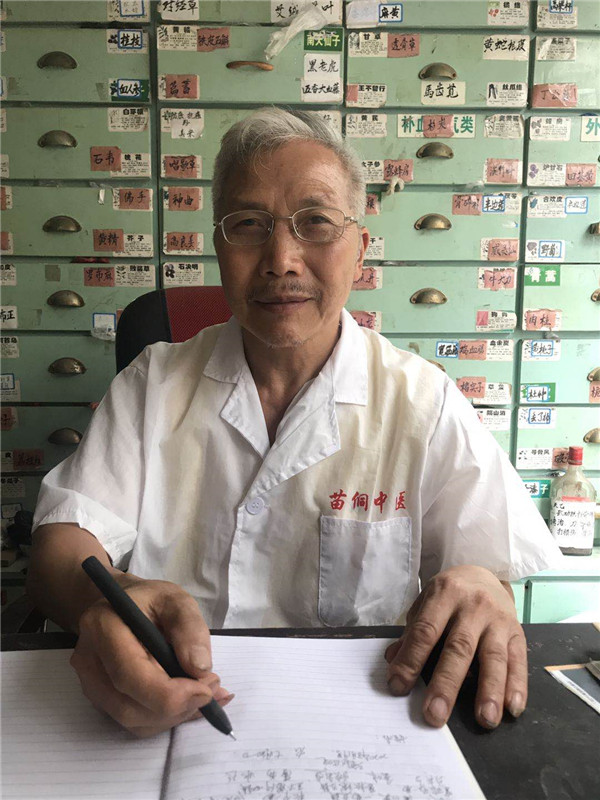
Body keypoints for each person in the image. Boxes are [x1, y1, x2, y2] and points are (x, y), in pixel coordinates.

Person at [29, 107, 562, 740]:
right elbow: (64, 543)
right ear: (220, 247)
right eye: (248, 225)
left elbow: (485, 574)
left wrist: (484, 588)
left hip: (358, 727)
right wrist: (104, 602)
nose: (281, 259)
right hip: (176, 720)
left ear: (360, 250)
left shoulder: (423, 400)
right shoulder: (154, 382)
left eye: (316, 222)